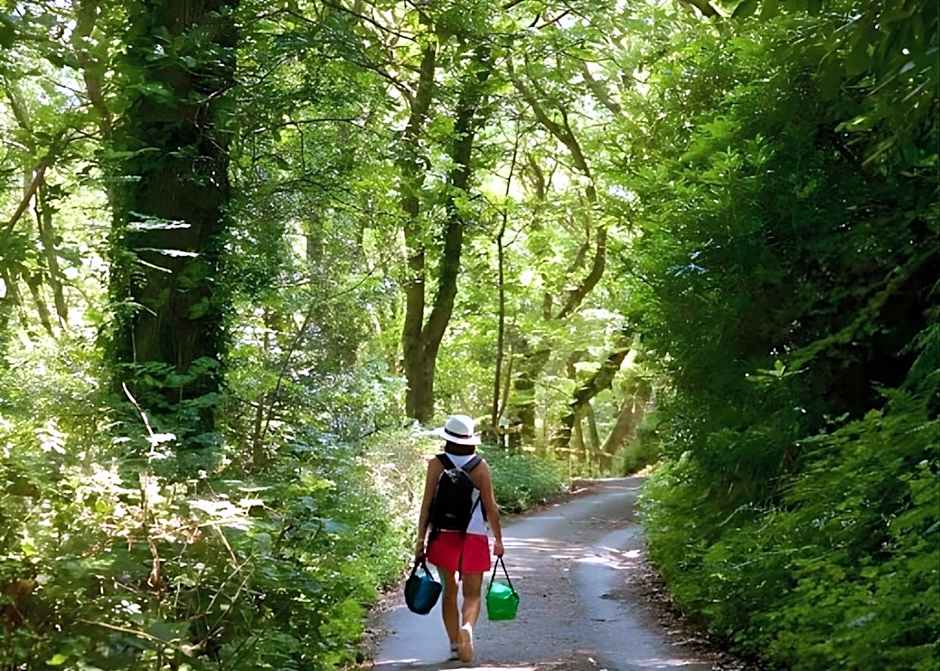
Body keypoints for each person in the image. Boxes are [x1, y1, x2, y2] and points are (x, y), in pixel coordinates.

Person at [415, 414, 504, 663]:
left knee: (449, 591)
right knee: (472, 594)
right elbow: (491, 508)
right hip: (474, 536)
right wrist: (498, 540)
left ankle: (455, 645)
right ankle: (468, 628)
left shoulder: (436, 464)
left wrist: (420, 540)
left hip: (443, 535)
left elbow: (426, 505)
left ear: (447, 438)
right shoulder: (480, 466)